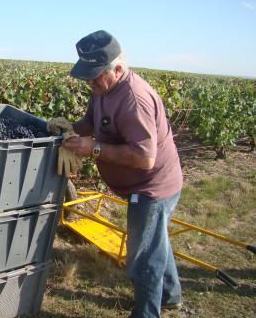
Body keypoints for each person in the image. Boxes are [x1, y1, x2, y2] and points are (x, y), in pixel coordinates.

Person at [48, 30, 183, 318]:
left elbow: (144, 158)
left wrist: (92, 148)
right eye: (86, 74)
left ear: (118, 69)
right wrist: (72, 127)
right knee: (156, 241)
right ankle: (170, 296)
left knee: (143, 255)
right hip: (138, 183)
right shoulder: (102, 89)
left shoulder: (134, 99)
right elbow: (91, 121)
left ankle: (147, 313)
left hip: (153, 186)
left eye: (95, 75)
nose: (89, 81)